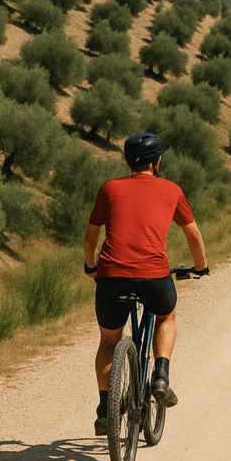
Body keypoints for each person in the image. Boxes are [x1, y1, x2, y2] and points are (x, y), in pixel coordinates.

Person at [83, 132, 208, 435]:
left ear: (127, 160)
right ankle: (161, 376)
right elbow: (192, 235)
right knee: (166, 315)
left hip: (111, 275)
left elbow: (90, 236)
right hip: (153, 275)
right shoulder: (172, 189)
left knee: (109, 341)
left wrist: (91, 267)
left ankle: (104, 412)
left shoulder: (109, 189)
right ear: (158, 161)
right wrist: (201, 268)